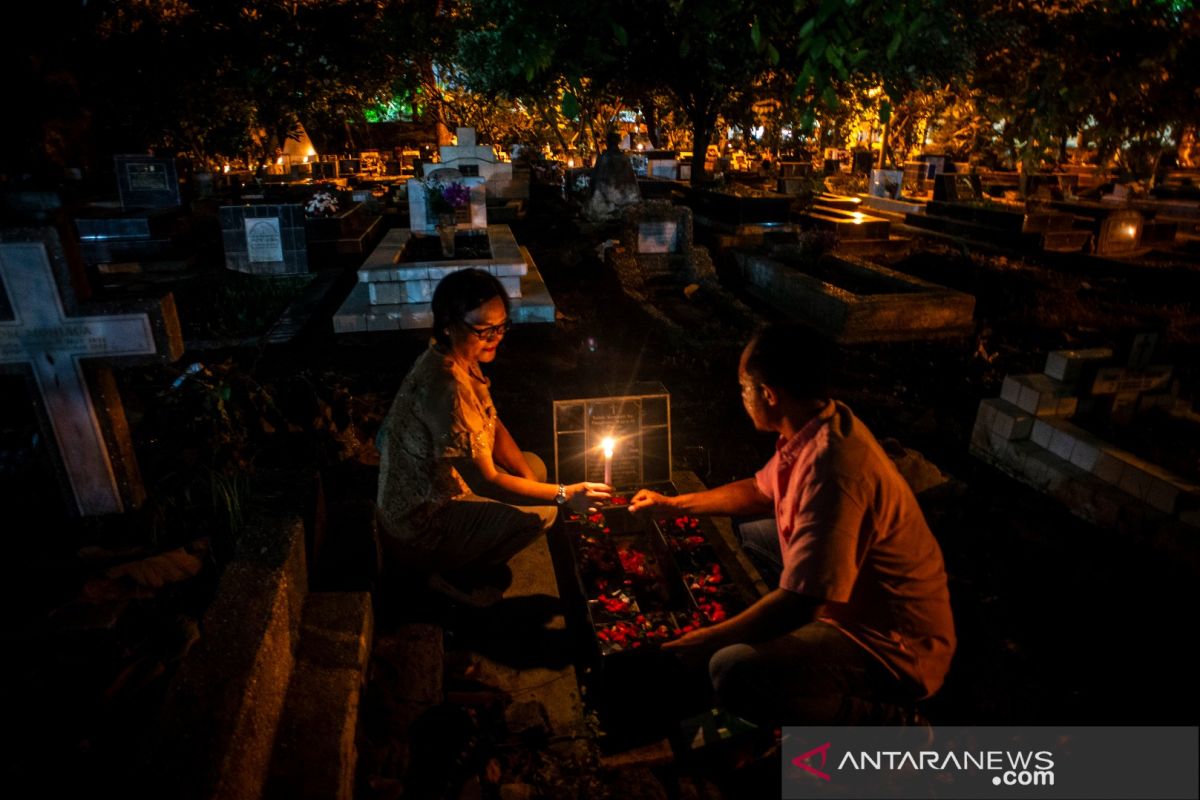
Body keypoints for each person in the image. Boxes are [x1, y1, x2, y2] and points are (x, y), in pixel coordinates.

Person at [628, 323, 955, 726]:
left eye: (744, 387)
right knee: (753, 530)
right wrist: (674, 504)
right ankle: (797, 656)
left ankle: (891, 724)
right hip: (850, 596)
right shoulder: (814, 426)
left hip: (890, 642)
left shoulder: (834, 468)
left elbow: (803, 600)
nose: (742, 397)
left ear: (769, 394)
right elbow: (760, 490)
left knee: (731, 670)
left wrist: (709, 639)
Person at [376, 268, 610, 605]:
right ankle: (449, 575)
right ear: (449, 323)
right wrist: (563, 495)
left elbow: (492, 424)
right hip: (420, 522)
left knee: (533, 468)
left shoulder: (456, 355)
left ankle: (472, 550)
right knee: (544, 514)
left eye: (501, 327)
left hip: (445, 487)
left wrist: (533, 486)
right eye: (484, 330)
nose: (495, 338)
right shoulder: (446, 386)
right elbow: (486, 482)